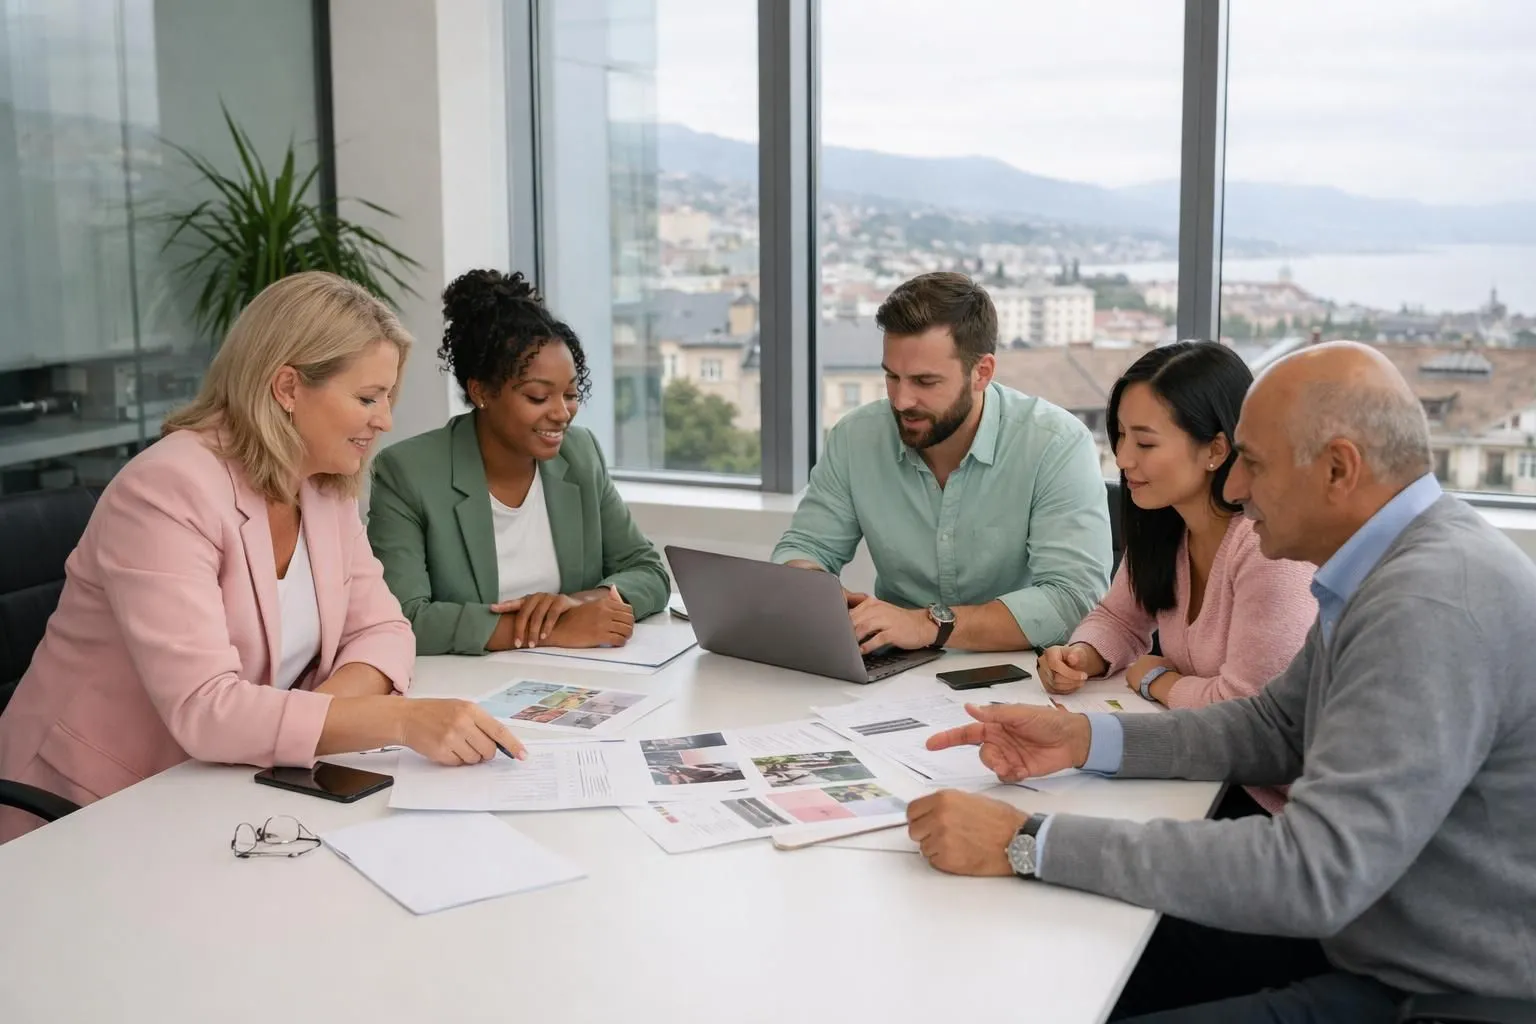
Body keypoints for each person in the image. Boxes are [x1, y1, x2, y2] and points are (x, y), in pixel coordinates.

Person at [905, 342, 1536, 1021]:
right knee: (1057, 962)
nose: (1234, 490)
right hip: (1376, 946)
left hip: (1437, 996)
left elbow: (1309, 872)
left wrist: (1027, 839)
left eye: (1254, 465)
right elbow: (1276, 726)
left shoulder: (1427, 605)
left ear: (1338, 469)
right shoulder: (1397, 567)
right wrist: (1084, 738)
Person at [0, 272, 526, 844]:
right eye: (367, 398)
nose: (386, 420)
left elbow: (384, 629)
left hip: (222, 791)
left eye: (388, 398)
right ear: (287, 388)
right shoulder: (166, 490)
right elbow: (208, 710)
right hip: (88, 812)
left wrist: (306, 723)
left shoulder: (323, 485)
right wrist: (398, 720)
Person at [1038, 341, 1315, 814]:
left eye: (1145, 443)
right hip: (1208, 774)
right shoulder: (1166, 521)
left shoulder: (1268, 548)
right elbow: (1120, 618)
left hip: (1273, 803)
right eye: (1120, 436)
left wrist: (1159, 682)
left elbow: (1245, 715)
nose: (1123, 459)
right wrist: (1082, 656)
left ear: (1216, 449)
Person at [772, 272, 1111, 653]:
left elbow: (1073, 599)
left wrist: (926, 625)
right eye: (892, 377)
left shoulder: (1056, 444)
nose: (901, 401)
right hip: (895, 667)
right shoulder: (856, 437)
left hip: (1021, 673)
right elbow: (806, 546)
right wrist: (816, 592)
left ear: (981, 372)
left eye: (925, 381)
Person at [368, 269, 669, 655]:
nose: (562, 413)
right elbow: (403, 618)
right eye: (538, 398)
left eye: (571, 394)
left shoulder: (580, 454)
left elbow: (649, 571)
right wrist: (547, 629)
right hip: (463, 689)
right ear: (481, 392)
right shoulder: (408, 472)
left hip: (574, 682)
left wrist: (580, 603)